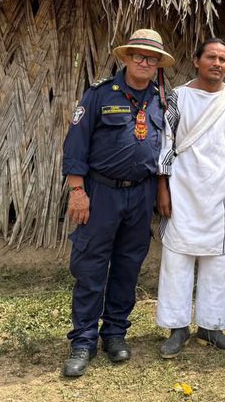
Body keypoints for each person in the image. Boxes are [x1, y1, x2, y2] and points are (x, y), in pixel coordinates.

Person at [60, 29, 176, 378]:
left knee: (128, 266)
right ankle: (83, 341)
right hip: (101, 193)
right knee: (91, 267)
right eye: (138, 55)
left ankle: (114, 334)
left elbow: (165, 151)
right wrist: (77, 191)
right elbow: (76, 144)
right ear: (125, 58)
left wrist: (159, 190)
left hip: (140, 195)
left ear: (157, 65)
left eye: (151, 58)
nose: (144, 61)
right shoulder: (99, 95)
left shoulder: (161, 101)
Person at [156, 38, 225, 356]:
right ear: (196, 60)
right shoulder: (178, 97)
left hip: (222, 196)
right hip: (182, 192)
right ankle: (177, 327)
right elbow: (165, 144)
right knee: (177, 259)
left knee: (220, 260)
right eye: (211, 57)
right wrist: (163, 188)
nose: (217, 63)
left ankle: (212, 326)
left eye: (223, 59)